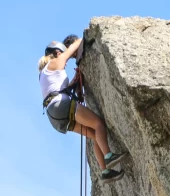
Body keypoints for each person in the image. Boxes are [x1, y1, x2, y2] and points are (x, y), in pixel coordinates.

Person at [39, 37, 126, 182]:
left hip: (53, 114)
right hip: (61, 104)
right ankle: (109, 156)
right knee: (98, 124)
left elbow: (58, 89)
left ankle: (105, 172)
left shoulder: (43, 74)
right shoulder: (55, 62)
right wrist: (82, 38)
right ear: (57, 52)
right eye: (62, 53)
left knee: (93, 134)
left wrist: (74, 82)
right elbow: (74, 47)